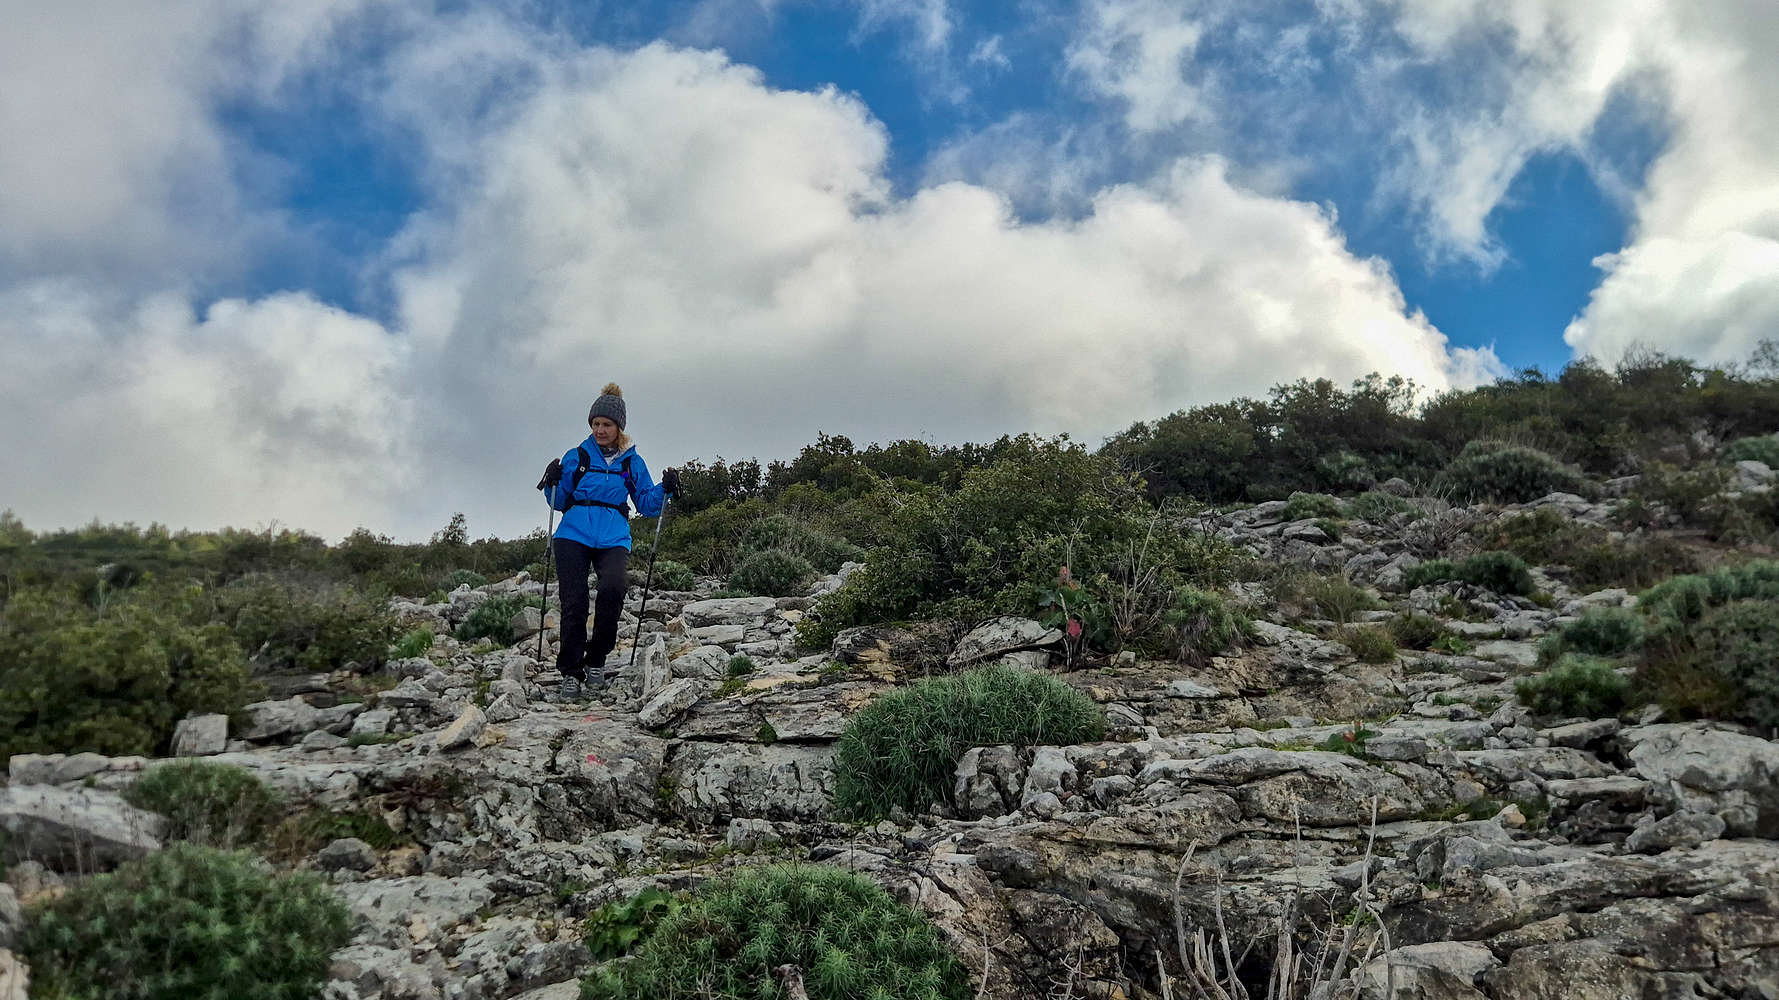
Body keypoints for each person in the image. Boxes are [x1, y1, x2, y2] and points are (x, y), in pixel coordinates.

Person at [537, 383, 680, 702]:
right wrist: (552, 482)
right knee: (574, 603)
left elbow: (645, 503)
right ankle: (571, 672)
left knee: (613, 590)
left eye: (607, 425)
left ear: (619, 428)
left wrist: (664, 488)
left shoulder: (631, 463)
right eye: (596, 424)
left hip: (614, 535)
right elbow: (559, 502)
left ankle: (597, 661)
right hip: (572, 533)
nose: (600, 430)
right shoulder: (578, 457)